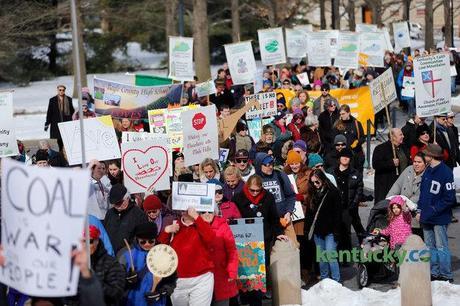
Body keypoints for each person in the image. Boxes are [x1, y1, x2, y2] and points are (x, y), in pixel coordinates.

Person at [232, 175, 287, 306]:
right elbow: (234, 218)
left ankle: (257, 299)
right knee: (246, 270)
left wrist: (279, 233)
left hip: (263, 239)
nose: (255, 193)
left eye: (258, 190)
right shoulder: (238, 198)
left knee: (259, 271)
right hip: (245, 240)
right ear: (247, 188)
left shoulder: (268, 197)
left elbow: (274, 217)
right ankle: (245, 297)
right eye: (252, 190)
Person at [157, 207, 215, 306]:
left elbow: (211, 239)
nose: (185, 211)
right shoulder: (175, 225)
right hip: (177, 281)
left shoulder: (201, 224)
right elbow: (161, 249)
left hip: (201, 279)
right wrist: (167, 231)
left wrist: (196, 217)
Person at [417, 144, 456, 282]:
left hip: (439, 217)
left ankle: (445, 274)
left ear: (432, 156)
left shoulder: (445, 172)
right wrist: (419, 210)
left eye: (426, 154)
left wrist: (434, 209)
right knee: (429, 246)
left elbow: (450, 198)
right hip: (426, 216)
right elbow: (423, 194)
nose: (424, 155)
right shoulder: (428, 170)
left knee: (441, 246)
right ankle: (434, 272)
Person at [119, 222, 176, 306]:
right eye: (143, 242)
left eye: (151, 241)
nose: (147, 244)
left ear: (155, 239)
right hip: (132, 302)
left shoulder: (164, 253)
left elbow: (171, 280)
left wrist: (161, 292)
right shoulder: (126, 254)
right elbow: (115, 281)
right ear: (137, 238)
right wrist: (127, 280)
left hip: (157, 303)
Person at [283, 150, 314, 282]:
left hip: (304, 213)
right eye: (292, 164)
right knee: (292, 244)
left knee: (305, 243)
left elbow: (314, 193)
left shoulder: (308, 173)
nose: (294, 166)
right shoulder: (284, 175)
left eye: (296, 163)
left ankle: (306, 272)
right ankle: (294, 272)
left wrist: (302, 197)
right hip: (290, 214)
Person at [306, 169, 341, 282]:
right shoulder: (312, 193)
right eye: (312, 182)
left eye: (317, 182)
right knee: (322, 258)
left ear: (323, 180)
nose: (315, 185)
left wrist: (336, 231)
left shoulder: (333, 192)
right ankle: (325, 281)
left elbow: (338, 213)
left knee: (330, 256)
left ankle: (336, 281)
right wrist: (307, 229)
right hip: (318, 231)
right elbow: (309, 213)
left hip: (331, 230)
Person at [201, 211, 239, 306]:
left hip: (221, 274)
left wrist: (232, 271)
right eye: (203, 212)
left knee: (221, 301)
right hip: (202, 276)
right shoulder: (195, 227)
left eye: (210, 211)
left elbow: (232, 251)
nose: (207, 214)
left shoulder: (223, 225)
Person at [386, 152, 427, 237]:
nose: (416, 164)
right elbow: (397, 185)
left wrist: (408, 205)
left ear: (425, 163)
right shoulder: (408, 169)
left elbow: (423, 196)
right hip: (401, 210)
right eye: (415, 162)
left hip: (416, 211)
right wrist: (389, 199)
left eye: (419, 162)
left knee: (416, 239)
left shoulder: (428, 175)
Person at [332, 148, 365, 249]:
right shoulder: (332, 172)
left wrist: (353, 204)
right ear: (339, 158)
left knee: (346, 232)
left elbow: (359, 191)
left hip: (348, 207)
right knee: (335, 231)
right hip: (335, 207)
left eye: (347, 157)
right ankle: (335, 254)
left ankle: (345, 257)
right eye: (343, 156)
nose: (345, 158)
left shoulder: (356, 174)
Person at [86, 225, 125, 306]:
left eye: (89, 241)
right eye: (82, 241)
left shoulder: (111, 263)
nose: (85, 245)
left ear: (97, 241)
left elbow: (117, 293)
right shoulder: (75, 263)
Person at [104, 184, 148, 253]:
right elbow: (104, 235)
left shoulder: (138, 214)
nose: (117, 206)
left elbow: (143, 239)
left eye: (120, 202)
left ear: (127, 198)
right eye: (115, 204)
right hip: (111, 256)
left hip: (129, 257)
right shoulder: (110, 213)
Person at [254, 153, 295, 222]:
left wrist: (288, 212)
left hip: (283, 218)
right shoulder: (254, 179)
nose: (270, 167)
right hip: (264, 221)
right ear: (259, 165)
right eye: (267, 165)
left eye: (271, 163)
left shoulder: (280, 175)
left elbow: (290, 196)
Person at [372, 128, 408, 204]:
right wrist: (391, 163)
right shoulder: (381, 148)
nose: (403, 136)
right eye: (400, 135)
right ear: (392, 137)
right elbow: (376, 165)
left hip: (401, 184)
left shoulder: (403, 147)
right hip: (386, 185)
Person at [334, 104, 365, 172]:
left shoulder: (356, 123)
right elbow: (334, 140)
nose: (341, 116)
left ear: (349, 113)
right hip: (344, 156)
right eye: (340, 114)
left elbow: (363, 137)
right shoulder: (338, 124)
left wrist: (357, 142)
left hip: (356, 155)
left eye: (343, 114)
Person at [45, 84, 75, 151]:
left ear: (64, 91)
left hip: (66, 121)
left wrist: (74, 120)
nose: (61, 91)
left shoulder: (69, 99)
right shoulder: (52, 100)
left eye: (63, 90)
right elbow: (49, 112)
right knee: (59, 139)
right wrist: (47, 123)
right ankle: (61, 151)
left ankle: (66, 152)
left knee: (66, 138)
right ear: (57, 90)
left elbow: (72, 111)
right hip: (56, 122)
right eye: (60, 90)